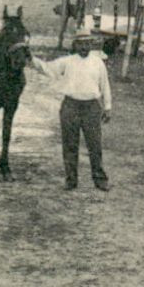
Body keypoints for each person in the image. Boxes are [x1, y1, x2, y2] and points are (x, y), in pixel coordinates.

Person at [30, 32, 112, 191]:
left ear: (91, 45)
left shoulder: (98, 62)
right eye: (81, 44)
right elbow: (47, 68)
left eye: (87, 43)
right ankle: (71, 180)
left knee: (94, 144)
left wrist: (107, 107)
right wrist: (30, 59)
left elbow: (105, 85)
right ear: (75, 45)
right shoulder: (67, 62)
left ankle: (100, 179)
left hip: (91, 107)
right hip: (70, 106)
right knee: (69, 145)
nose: (84, 47)